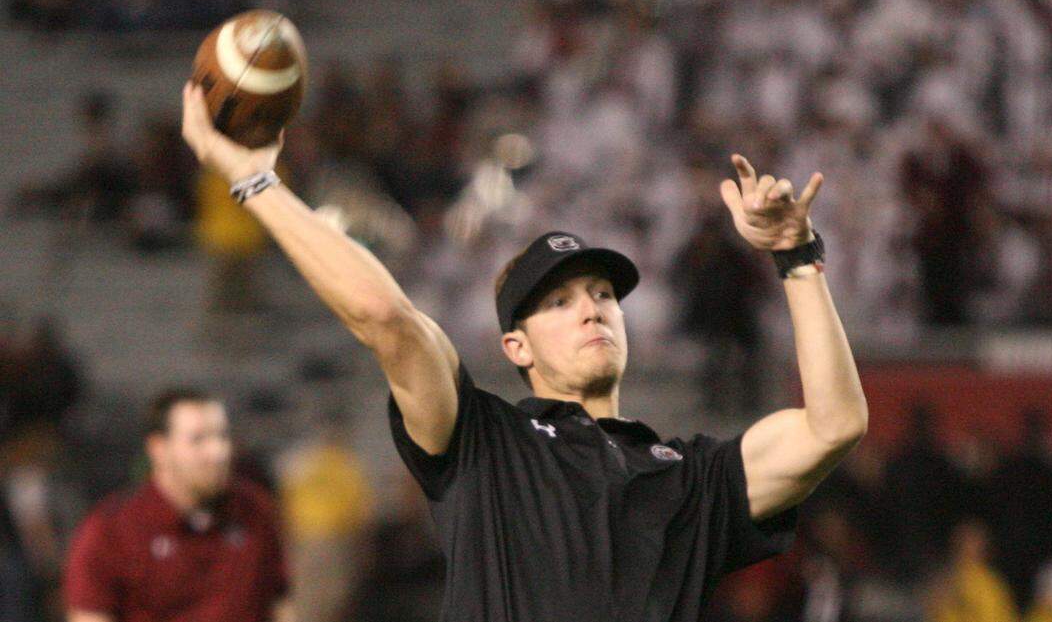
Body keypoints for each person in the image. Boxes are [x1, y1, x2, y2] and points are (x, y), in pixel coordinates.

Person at [180, 80, 868, 622]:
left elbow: (834, 425)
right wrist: (256, 181)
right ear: (516, 344)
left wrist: (796, 258)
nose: (592, 306)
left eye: (602, 292)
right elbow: (385, 315)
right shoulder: (484, 440)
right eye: (560, 301)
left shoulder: (690, 476)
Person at [63, 389, 293, 622]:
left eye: (222, 437)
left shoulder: (255, 510)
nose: (217, 452)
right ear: (159, 448)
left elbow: (280, 602)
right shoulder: (112, 530)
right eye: (198, 439)